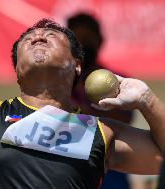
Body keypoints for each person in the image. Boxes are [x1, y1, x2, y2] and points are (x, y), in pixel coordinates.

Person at [0, 19, 165, 189]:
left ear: (77, 66)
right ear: (18, 71)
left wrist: (147, 100)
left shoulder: (99, 132)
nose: (37, 36)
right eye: (27, 39)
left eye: (52, 36)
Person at [67, 13, 132, 189]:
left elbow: (124, 119)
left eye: (87, 39)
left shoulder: (118, 80)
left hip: (111, 172)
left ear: (100, 40)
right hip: (70, 171)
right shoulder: (59, 84)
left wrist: (83, 108)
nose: (82, 45)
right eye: (77, 40)